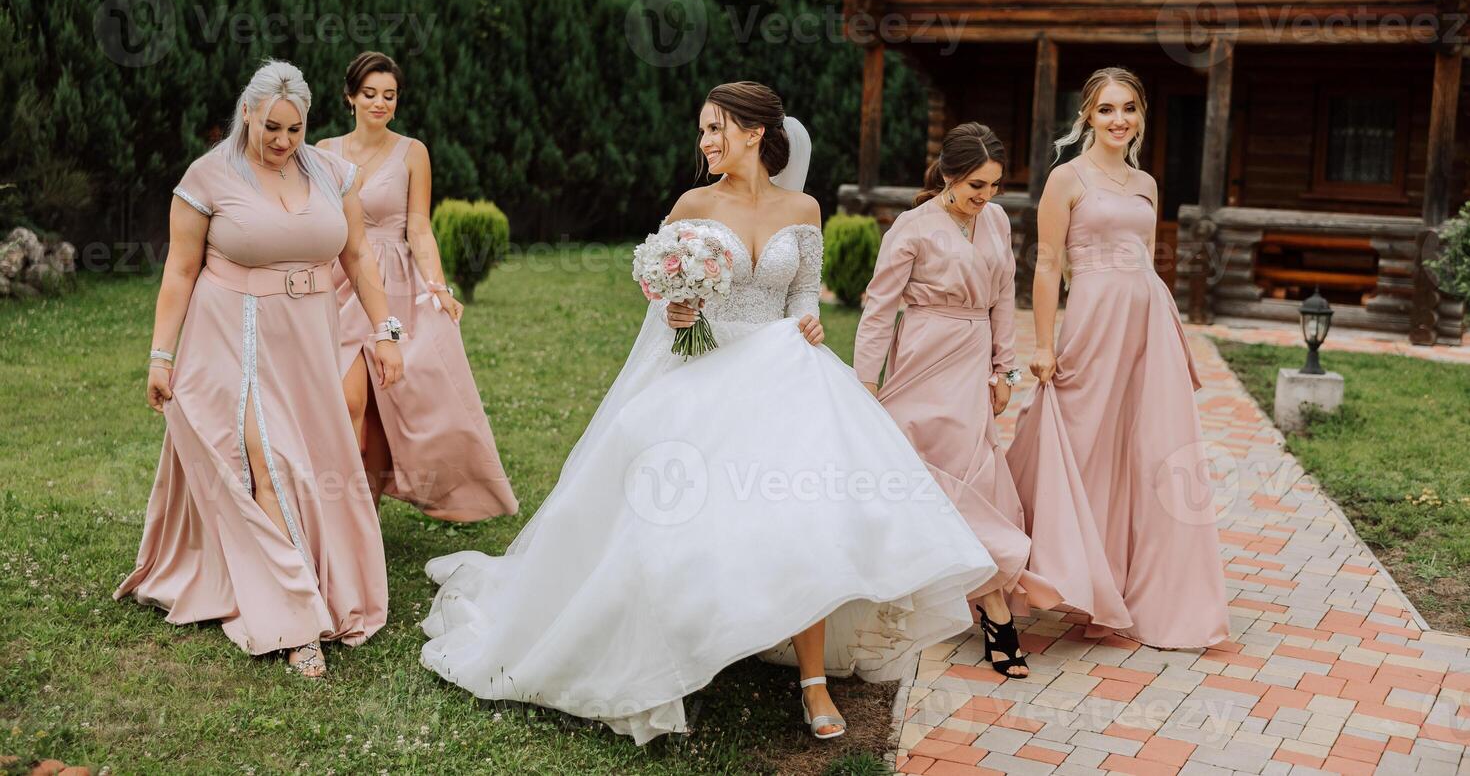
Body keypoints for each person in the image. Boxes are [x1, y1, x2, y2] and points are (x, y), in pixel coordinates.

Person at [419, 82, 998, 743]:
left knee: (805, 517)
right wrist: (676, 313)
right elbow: (664, 303)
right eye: (702, 131)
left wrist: (809, 326)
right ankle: (667, 651)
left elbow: (803, 298)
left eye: (716, 129)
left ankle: (813, 681)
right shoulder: (694, 205)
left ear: (755, 134)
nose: (705, 142)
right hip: (703, 370)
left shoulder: (802, 208)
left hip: (783, 373)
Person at [117, 60, 403, 678]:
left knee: (306, 462)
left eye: (294, 129)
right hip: (232, 338)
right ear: (246, 113)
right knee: (265, 461)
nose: (281, 141)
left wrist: (385, 331)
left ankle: (305, 579)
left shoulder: (331, 174)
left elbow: (358, 256)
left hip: (308, 340)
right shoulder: (209, 176)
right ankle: (299, 621)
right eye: (271, 126)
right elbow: (180, 272)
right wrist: (161, 355)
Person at [1008, 66, 1229, 649]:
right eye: (1106, 108)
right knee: (1082, 446)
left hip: (1148, 321)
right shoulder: (1067, 179)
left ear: (1140, 116)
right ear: (1086, 115)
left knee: (1147, 451)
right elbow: (1049, 265)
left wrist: (1170, 333)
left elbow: (1147, 261)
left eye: (1128, 108)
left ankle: (1129, 593)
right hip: (1093, 318)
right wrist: (1044, 341)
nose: (1118, 119)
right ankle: (1058, 572)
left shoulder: (1147, 184)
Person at [854, 122, 1062, 679]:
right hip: (921, 356)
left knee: (973, 477)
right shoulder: (911, 227)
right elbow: (879, 308)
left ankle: (989, 601)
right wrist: (864, 384)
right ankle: (993, 611)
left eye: (994, 185)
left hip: (972, 365)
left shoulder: (995, 221)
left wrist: (1005, 370)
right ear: (948, 176)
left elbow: (1002, 299)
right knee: (920, 472)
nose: (985, 197)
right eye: (976, 185)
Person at [319, 51, 517, 522]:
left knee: (388, 406)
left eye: (389, 95)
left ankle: (365, 514)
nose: (379, 103)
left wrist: (438, 286)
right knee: (348, 399)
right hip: (339, 281)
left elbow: (419, 228)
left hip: (397, 286)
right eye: (369, 94)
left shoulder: (413, 152)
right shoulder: (323, 152)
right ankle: (341, 518)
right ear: (350, 97)